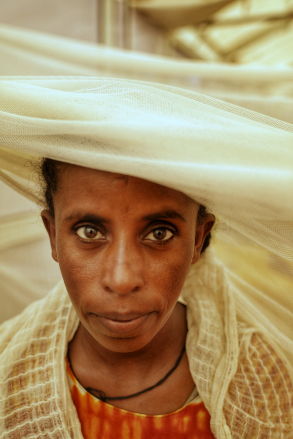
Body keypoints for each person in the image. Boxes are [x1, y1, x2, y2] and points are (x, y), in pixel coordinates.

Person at [0, 78, 292, 438]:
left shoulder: (258, 378)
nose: (122, 279)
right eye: (89, 232)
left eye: (159, 233)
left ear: (199, 240)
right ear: (53, 235)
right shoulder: (8, 379)